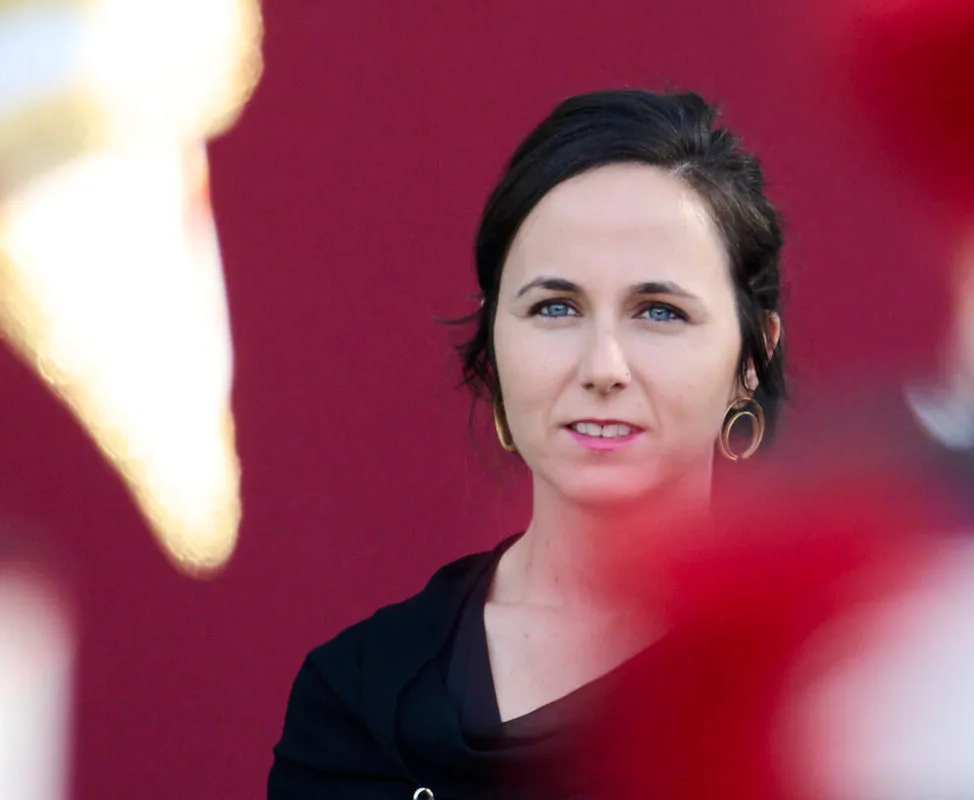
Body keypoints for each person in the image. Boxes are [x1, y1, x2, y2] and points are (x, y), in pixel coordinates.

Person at [267, 88, 787, 800]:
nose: (603, 367)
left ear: (752, 355)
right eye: (556, 307)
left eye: (660, 312)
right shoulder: (359, 699)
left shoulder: (830, 700)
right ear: (493, 342)